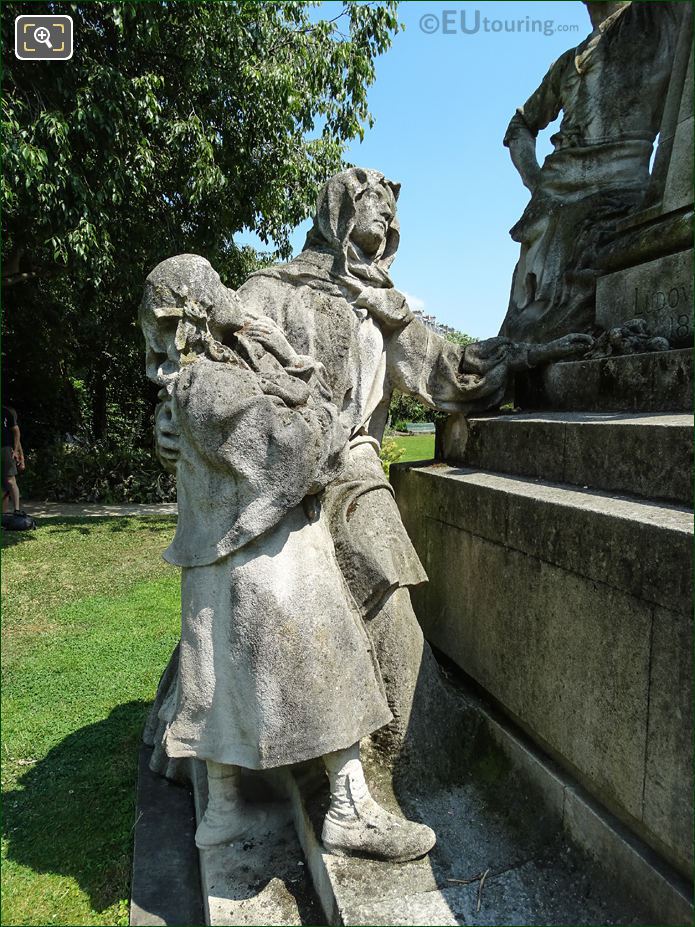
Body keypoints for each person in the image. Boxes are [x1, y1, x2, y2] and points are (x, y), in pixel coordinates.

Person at [146, 169, 591, 862]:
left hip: (350, 464)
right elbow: (200, 370)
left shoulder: (387, 306)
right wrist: (164, 424)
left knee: (378, 550)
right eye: (368, 217)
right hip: (274, 473)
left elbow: (452, 372)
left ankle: (407, 757)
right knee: (261, 592)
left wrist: (536, 353)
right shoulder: (270, 289)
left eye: (388, 222)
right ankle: (311, 771)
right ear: (332, 216)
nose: (380, 230)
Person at [140, 254, 437, 860]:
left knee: (214, 688)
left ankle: (221, 812)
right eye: (217, 296)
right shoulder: (212, 385)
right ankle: (349, 809)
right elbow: (297, 451)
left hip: (222, 565)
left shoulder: (194, 384)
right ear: (197, 311)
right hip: (272, 562)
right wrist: (320, 404)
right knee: (333, 670)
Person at [499, 1, 682, 343]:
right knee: (523, 328)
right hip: (550, 203)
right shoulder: (569, 60)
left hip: (619, 191)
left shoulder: (655, 17)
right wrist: (536, 182)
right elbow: (521, 124)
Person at [2, 404, 25, 515]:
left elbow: (17, 434)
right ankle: (3, 514)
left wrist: (18, 454)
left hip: (5, 449)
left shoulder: (6, 413)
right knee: (3, 486)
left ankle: (16, 510)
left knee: (10, 481)